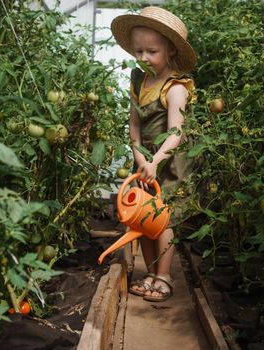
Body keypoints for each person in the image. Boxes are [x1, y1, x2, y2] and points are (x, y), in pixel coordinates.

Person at [111, 6, 197, 302]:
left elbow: (176, 132)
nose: (144, 58)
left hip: (170, 163)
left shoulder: (176, 88)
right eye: (138, 52)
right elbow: (133, 125)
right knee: (142, 218)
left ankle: (164, 275)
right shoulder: (138, 81)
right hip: (145, 161)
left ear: (170, 50)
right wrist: (140, 158)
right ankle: (149, 272)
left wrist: (156, 161)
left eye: (152, 51)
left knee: (164, 219)